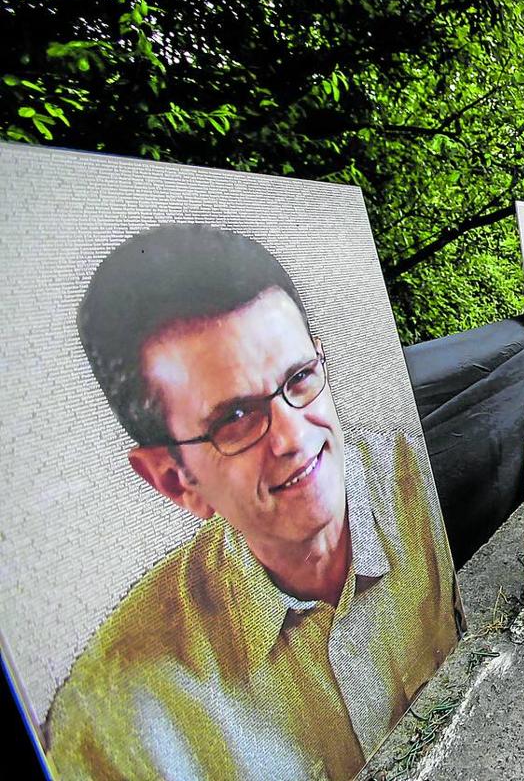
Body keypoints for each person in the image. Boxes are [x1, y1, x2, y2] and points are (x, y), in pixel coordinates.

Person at [47, 224, 462, 780]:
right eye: (235, 418)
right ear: (175, 480)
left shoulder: (412, 479)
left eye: (300, 377)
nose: (293, 436)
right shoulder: (116, 726)